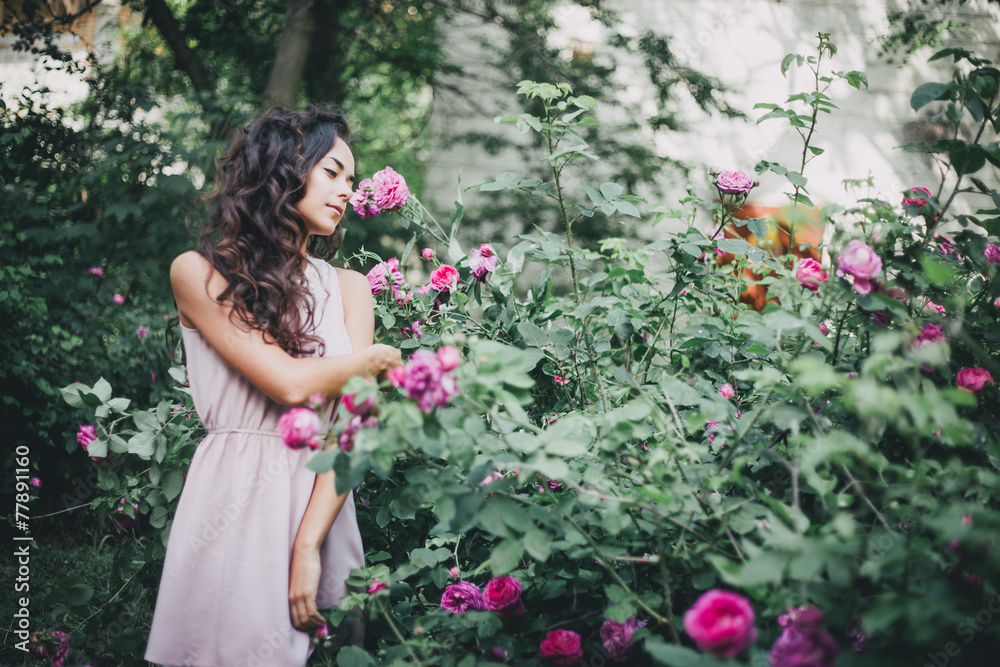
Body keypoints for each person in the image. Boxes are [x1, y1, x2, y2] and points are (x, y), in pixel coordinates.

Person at [144, 106, 401, 667]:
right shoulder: (199, 272)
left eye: (352, 181)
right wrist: (374, 361)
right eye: (332, 172)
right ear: (286, 169)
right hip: (234, 499)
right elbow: (288, 384)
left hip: (324, 503)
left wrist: (308, 545)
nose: (346, 192)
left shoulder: (353, 289)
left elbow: (355, 427)